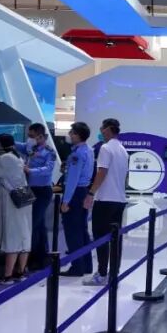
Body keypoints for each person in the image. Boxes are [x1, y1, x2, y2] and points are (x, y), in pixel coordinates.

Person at [83, 118, 130, 286]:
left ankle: (102, 274)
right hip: (119, 200)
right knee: (115, 237)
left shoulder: (106, 148)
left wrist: (91, 193)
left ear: (108, 129)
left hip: (105, 200)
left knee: (101, 237)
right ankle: (113, 273)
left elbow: (101, 172)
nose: (101, 131)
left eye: (102, 128)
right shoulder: (123, 150)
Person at [0, 134, 32, 283]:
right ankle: (20, 272)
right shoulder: (17, 157)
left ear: (0, 144)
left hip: (10, 201)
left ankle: (8, 276)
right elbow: (2, 160)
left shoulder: (6, 158)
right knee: (24, 235)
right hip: (23, 198)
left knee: (11, 236)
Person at [16, 123, 57, 269]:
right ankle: (42, 257)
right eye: (29, 135)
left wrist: (31, 171)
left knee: (32, 224)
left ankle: (30, 259)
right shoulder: (29, 147)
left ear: (41, 136)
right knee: (39, 225)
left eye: (32, 136)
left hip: (42, 191)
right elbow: (17, 145)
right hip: (28, 189)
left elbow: (48, 169)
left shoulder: (49, 152)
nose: (29, 138)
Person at [59, 122, 94, 277]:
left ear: (78, 135)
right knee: (82, 230)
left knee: (73, 231)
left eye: (72, 132)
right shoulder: (89, 150)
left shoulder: (77, 154)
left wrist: (66, 201)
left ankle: (77, 267)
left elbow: (72, 180)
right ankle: (86, 265)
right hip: (83, 191)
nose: (70, 135)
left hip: (74, 193)